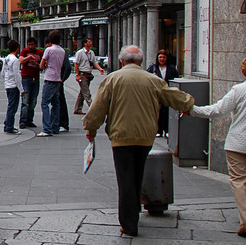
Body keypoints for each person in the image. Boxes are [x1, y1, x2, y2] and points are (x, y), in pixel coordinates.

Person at [83, 45, 194, 237]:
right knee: (136, 175)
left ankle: (129, 223)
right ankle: (134, 211)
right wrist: (189, 103)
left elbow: (98, 107)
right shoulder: (152, 80)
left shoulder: (113, 79)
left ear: (122, 61)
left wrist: (91, 129)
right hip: (145, 136)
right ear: (141, 61)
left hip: (122, 136)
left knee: (125, 179)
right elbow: (172, 96)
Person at [189, 57, 246, 238]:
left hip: (238, 142)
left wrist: (191, 110)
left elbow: (217, 111)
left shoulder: (239, 90)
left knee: (239, 181)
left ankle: (245, 220)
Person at [147, 49, 180, 137]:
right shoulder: (153, 68)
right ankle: (159, 130)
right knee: (158, 112)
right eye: (160, 57)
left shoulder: (171, 68)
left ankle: (167, 130)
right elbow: (146, 78)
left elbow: (175, 78)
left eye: (164, 57)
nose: (162, 59)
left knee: (166, 112)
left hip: (167, 92)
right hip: (156, 93)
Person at [38, 30, 65, 137]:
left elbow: (41, 65)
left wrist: (45, 66)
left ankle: (47, 128)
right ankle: (55, 126)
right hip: (57, 79)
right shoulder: (62, 51)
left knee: (44, 103)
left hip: (49, 78)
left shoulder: (48, 50)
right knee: (56, 104)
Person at [73, 38, 106, 115]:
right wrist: (77, 74)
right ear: (85, 44)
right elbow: (76, 64)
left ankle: (78, 109)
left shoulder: (91, 53)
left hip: (88, 74)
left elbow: (94, 62)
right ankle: (93, 109)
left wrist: (100, 69)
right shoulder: (80, 53)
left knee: (82, 92)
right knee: (87, 93)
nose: (91, 43)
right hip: (82, 74)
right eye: (89, 42)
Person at [19, 37, 42, 129]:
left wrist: (36, 63)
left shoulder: (40, 53)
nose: (30, 46)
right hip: (26, 77)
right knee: (25, 100)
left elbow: (42, 65)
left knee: (33, 100)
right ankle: (23, 121)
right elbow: (20, 61)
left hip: (35, 78)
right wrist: (29, 57)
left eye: (32, 44)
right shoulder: (24, 52)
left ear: (35, 44)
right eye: (29, 44)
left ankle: (29, 120)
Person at [2, 39, 24, 135]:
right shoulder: (15, 60)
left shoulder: (6, 58)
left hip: (7, 84)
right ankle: (9, 127)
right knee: (13, 107)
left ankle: (7, 124)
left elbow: (3, 72)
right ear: (17, 48)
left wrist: (6, 80)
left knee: (10, 105)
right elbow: (17, 75)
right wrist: (21, 89)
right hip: (13, 86)